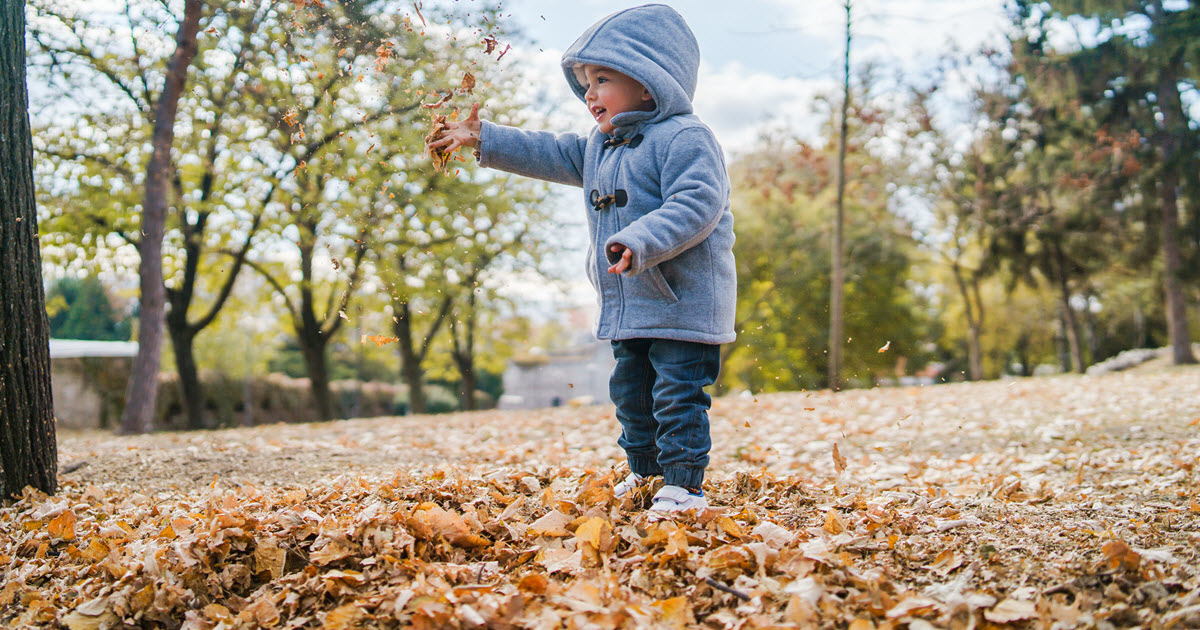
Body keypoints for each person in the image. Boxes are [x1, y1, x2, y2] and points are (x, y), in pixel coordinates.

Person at [426, 4, 735, 514]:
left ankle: (684, 486)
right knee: (632, 397)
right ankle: (645, 474)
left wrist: (641, 239)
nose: (589, 93)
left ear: (647, 82)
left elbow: (698, 203)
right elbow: (548, 151)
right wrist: (483, 137)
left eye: (603, 78)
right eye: (585, 82)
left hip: (684, 304)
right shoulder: (599, 145)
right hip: (630, 305)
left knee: (677, 397)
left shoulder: (686, 138)